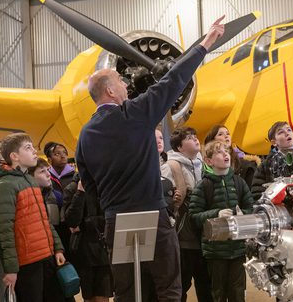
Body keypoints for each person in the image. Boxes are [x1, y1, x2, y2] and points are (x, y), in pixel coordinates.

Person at [76, 16, 225, 301]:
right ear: (109, 90)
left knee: (127, 291)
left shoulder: (85, 135)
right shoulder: (135, 114)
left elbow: (89, 184)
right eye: (120, 81)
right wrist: (205, 43)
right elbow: (173, 80)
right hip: (150, 213)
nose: (124, 85)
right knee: (168, 286)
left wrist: (111, 204)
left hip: (114, 218)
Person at [0, 133, 65, 302]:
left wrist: (57, 247)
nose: (34, 151)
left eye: (33, 146)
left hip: (46, 255)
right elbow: (4, 232)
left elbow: (44, 219)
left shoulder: (29, 180)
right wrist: (11, 269)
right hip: (27, 261)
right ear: (14, 156)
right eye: (28, 148)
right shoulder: (3, 186)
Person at [188, 141, 253, 302]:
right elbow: (194, 216)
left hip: (237, 249)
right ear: (209, 161)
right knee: (218, 294)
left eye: (226, 151)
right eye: (219, 152)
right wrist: (216, 213)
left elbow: (251, 208)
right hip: (215, 252)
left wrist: (242, 214)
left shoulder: (239, 182)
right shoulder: (203, 186)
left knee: (238, 293)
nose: (225, 154)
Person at [160, 127, 212, 302]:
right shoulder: (171, 166)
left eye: (195, 135)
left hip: (205, 237)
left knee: (207, 286)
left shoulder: (205, 165)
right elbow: (164, 201)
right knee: (180, 287)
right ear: (179, 148)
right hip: (182, 238)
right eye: (189, 138)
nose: (195, 139)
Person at [62, 176, 113, 302]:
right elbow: (71, 221)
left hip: (104, 249)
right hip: (83, 251)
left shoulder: (106, 183)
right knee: (88, 296)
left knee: (103, 295)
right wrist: (80, 193)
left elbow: (112, 218)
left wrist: (85, 224)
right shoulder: (72, 188)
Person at [251, 121, 293, 201]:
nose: (287, 133)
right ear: (274, 142)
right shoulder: (265, 166)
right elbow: (257, 194)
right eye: (281, 132)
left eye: (289, 130)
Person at [28, 158, 62, 228]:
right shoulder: (25, 199)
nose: (48, 174)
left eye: (48, 170)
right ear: (30, 176)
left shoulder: (57, 196)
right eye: (42, 171)